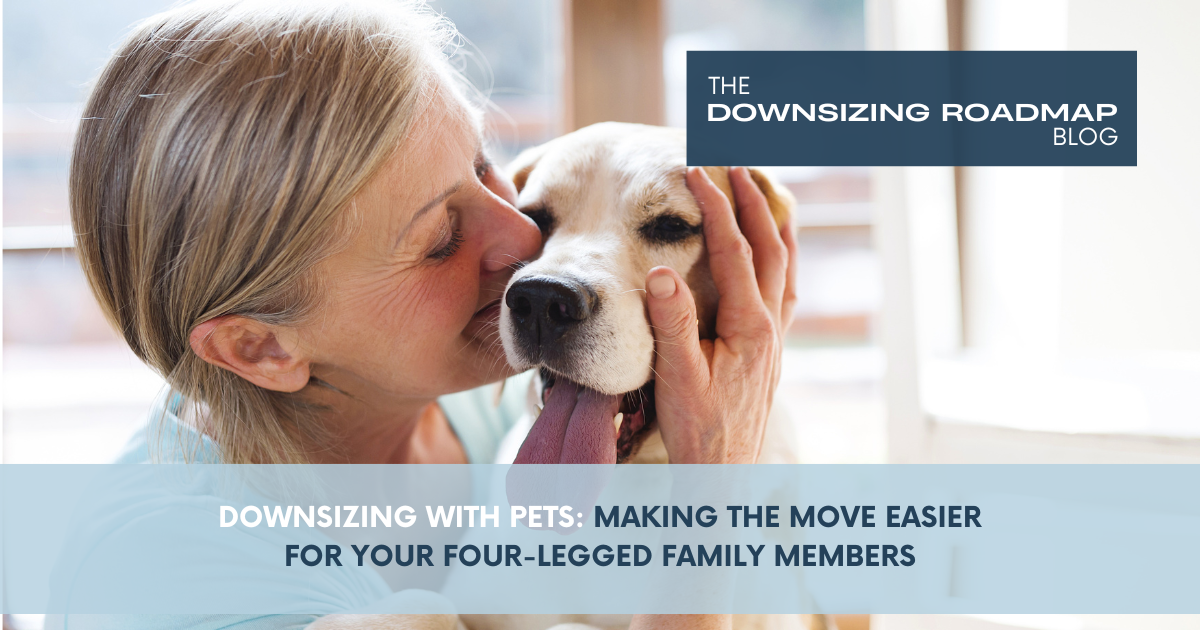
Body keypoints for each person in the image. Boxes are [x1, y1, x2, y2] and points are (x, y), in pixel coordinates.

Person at [60, 0, 797, 628]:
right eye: (440, 240)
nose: (525, 245)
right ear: (260, 348)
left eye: (485, 170)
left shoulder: (474, 403)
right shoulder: (170, 585)